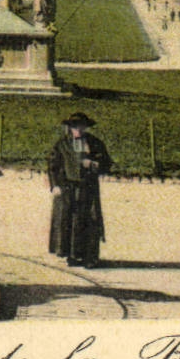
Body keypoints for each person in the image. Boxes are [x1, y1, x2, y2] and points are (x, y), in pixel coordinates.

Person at [48, 113, 113, 268]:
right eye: (75, 127)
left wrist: (94, 164)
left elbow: (106, 163)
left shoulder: (94, 143)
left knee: (89, 220)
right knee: (68, 221)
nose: (78, 130)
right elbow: (53, 166)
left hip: (88, 188)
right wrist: (55, 185)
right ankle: (71, 255)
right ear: (70, 128)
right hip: (68, 188)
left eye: (81, 126)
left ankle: (89, 257)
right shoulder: (62, 144)